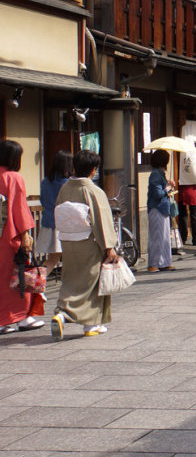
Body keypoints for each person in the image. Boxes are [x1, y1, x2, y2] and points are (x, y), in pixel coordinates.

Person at [51, 149, 118, 340]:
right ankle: (90, 324)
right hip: (89, 243)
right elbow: (102, 221)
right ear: (93, 169)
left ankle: (61, 313)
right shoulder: (93, 190)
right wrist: (109, 246)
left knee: (71, 280)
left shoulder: (65, 189)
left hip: (69, 242)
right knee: (92, 283)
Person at [0, 140, 46, 334]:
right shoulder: (14, 177)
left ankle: (3, 321)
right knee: (18, 274)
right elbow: (19, 209)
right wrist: (26, 234)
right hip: (9, 234)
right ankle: (22, 317)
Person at [39, 150, 72, 276]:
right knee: (62, 258)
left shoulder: (45, 182)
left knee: (52, 258)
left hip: (48, 223)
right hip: (64, 225)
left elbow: (43, 201)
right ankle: (35, 283)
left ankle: (36, 281)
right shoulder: (68, 184)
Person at [146, 149, 175, 272]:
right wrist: (168, 188)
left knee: (164, 236)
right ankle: (153, 263)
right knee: (157, 236)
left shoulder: (159, 173)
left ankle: (164, 262)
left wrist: (167, 184)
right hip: (157, 208)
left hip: (162, 208)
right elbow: (158, 193)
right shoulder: (155, 174)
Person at [177, 149, 196, 248]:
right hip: (192, 191)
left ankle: (183, 238)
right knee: (194, 216)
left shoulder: (180, 161)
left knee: (183, 215)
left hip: (182, 190)